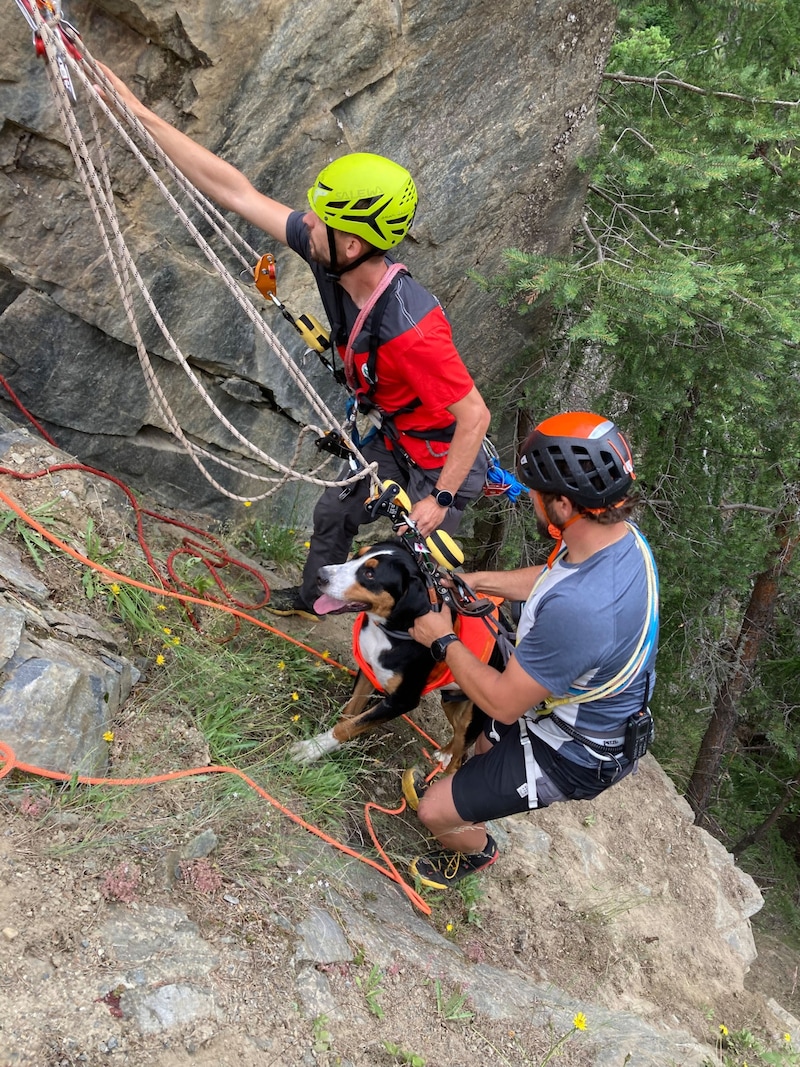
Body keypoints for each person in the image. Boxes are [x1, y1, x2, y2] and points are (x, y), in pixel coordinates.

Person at [98, 66, 491, 619]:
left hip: (444, 458)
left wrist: (440, 499)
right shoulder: (331, 254)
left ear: (352, 244)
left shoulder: (413, 328)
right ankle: (314, 602)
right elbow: (235, 191)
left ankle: (403, 652)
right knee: (335, 509)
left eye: (320, 218)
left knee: (414, 564)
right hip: (396, 431)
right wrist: (135, 110)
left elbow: (474, 415)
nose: (305, 221)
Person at [404, 412, 660, 890]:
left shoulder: (583, 611)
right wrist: (476, 580)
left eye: (538, 496)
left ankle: (477, 850)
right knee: (485, 741)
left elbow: (502, 700)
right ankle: (469, 789)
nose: (532, 503)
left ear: (563, 504)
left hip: (578, 751)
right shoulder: (617, 540)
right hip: (569, 703)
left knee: (433, 810)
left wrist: (442, 638)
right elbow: (551, 580)